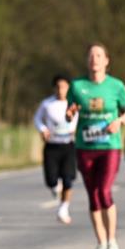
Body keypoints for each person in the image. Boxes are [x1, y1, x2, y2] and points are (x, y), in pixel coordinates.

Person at [66, 43, 125, 249]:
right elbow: (69, 112)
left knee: (104, 191)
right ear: (87, 61)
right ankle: (101, 244)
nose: (94, 59)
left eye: (98, 55)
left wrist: (119, 121)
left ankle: (112, 242)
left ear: (106, 61)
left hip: (109, 146)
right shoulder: (77, 86)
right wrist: (70, 113)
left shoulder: (116, 86)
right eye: (91, 55)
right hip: (85, 147)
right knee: (93, 195)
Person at [33, 74, 77, 224]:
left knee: (68, 179)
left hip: (68, 144)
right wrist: (43, 129)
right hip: (52, 145)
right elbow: (37, 119)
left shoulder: (73, 104)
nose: (61, 90)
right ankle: (54, 187)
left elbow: (79, 118)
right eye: (58, 87)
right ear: (54, 88)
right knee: (52, 180)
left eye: (64, 87)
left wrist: (75, 129)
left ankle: (63, 209)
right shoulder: (47, 104)